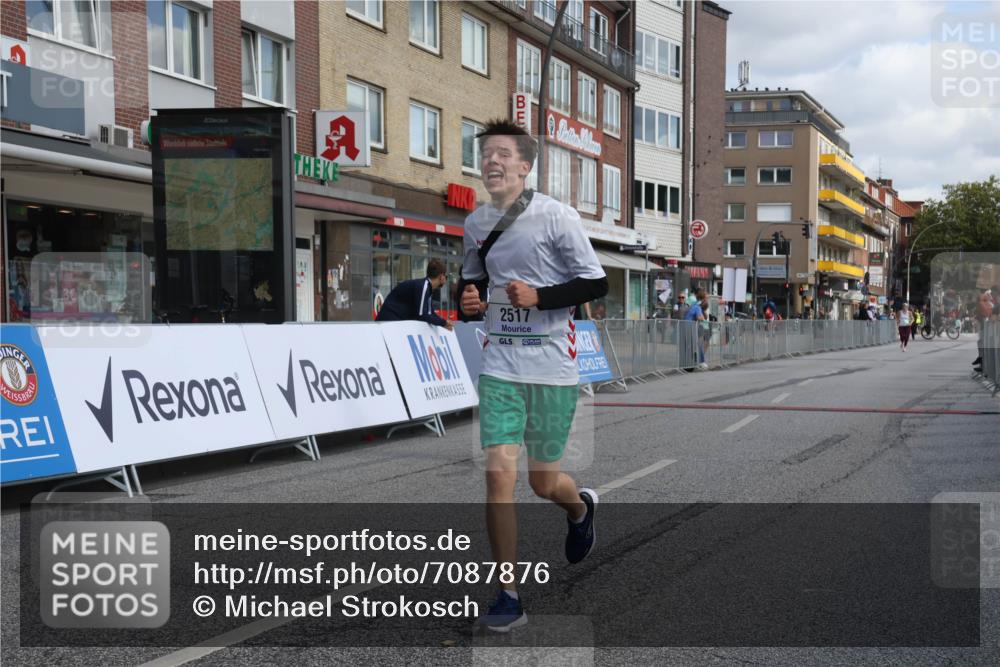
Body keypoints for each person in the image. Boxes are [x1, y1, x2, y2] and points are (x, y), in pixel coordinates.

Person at [458, 119, 608, 632]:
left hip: (551, 368)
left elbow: (596, 282)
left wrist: (541, 296)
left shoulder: (555, 217)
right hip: (500, 365)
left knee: (544, 483)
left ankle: (580, 509)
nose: (492, 162)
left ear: (525, 165)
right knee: (499, 475)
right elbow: (473, 288)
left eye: (503, 154)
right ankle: (507, 593)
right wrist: (470, 303)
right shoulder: (476, 223)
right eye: (485, 155)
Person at [375, 258, 453, 330]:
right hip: (388, 320)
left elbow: (430, 312)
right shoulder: (424, 286)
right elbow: (422, 315)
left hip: (394, 320)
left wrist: (444, 322)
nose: (446, 279)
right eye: (446, 277)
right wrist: (443, 323)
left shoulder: (427, 287)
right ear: (441, 276)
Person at [685, 289, 709, 370]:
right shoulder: (698, 306)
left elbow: (703, 316)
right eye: (706, 297)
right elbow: (700, 317)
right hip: (691, 327)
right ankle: (701, 362)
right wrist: (702, 317)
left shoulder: (695, 304)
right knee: (699, 344)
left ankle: (692, 363)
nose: (707, 299)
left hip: (687, 326)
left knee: (692, 346)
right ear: (703, 298)